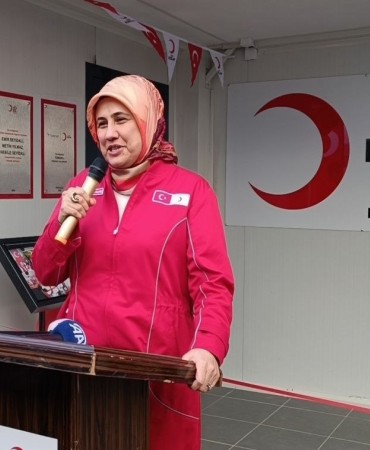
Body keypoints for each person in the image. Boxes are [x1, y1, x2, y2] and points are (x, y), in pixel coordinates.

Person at [32, 75, 233, 450]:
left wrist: (208, 346)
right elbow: (45, 272)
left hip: (157, 375)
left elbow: (213, 285)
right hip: (86, 369)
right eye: (101, 123)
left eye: (121, 120)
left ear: (147, 121)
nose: (109, 133)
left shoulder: (191, 191)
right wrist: (62, 222)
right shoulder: (84, 186)